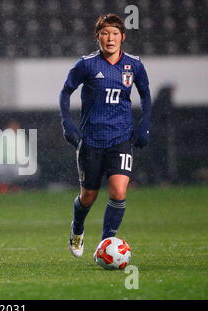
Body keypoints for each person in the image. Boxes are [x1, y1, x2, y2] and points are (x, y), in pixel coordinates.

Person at [58, 14, 151, 258]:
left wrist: (144, 125)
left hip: (120, 138)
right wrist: (67, 123)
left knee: (119, 192)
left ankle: (105, 245)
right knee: (88, 196)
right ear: (97, 36)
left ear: (123, 37)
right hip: (90, 140)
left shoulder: (134, 65)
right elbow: (65, 92)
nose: (110, 38)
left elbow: (146, 95)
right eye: (105, 33)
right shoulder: (86, 64)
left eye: (115, 33)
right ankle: (77, 228)